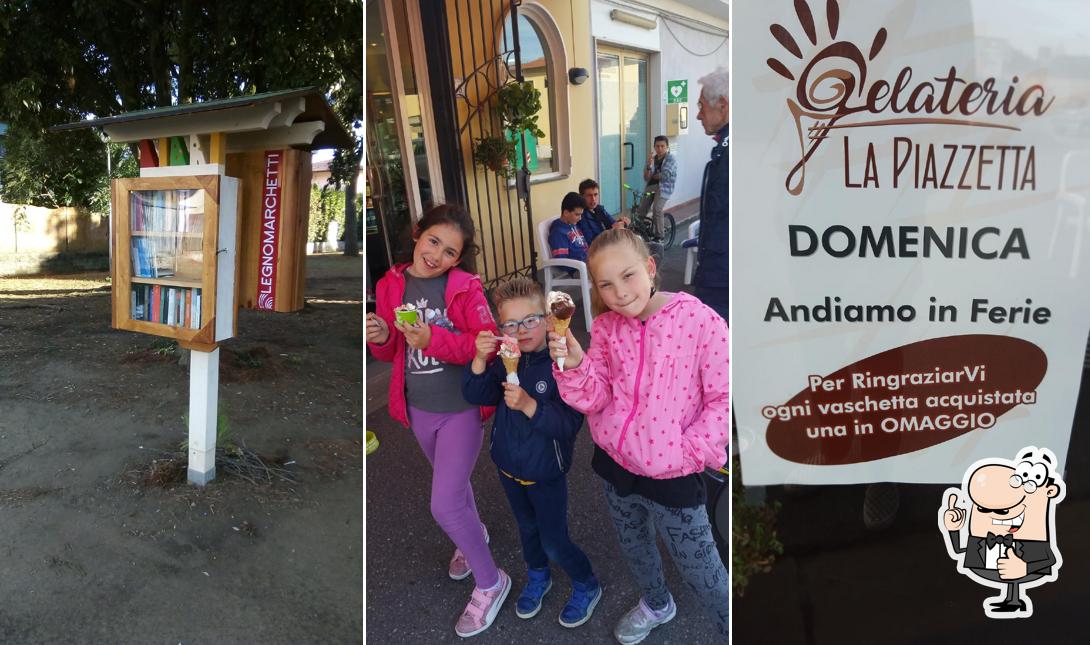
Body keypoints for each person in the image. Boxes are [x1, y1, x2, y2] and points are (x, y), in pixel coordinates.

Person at [548, 228, 730, 643]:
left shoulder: (699, 321)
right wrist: (576, 361)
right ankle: (656, 602)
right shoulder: (608, 329)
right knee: (635, 544)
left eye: (628, 276)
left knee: (702, 569)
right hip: (617, 467)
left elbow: (722, 399)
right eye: (606, 284)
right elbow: (595, 397)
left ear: (650, 268)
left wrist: (686, 453)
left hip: (674, 474)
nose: (620, 293)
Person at [365, 204, 510, 638]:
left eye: (450, 252)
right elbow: (392, 353)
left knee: (444, 502)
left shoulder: (465, 289)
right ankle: (473, 535)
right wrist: (382, 337)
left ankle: (491, 582)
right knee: (455, 486)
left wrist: (435, 339)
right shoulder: (391, 284)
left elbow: (486, 345)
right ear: (417, 234)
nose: (438, 255)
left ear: (458, 259)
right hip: (418, 409)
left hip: (461, 410)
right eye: (433, 242)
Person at [463, 277, 603, 628]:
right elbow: (476, 394)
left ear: (547, 318)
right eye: (510, 324)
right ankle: (538, 576)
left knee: (554, 540)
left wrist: (529, 406)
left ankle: (587, 583)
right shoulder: (504, 359)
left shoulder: (559, 364)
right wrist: (480, 360)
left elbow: (569, 425)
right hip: (508, 466)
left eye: (529, 320)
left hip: (546, 473)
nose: (520, 331)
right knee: (527, 528)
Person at [694, 67, 729, 320]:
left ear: (723, 105)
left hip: (724, 277)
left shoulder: (734, 152)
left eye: (702, 106)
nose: (698, 115)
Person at [643, 135, 677, 242]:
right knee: (640, 210)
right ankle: (643, 232)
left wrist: (653, 175)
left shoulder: (671, 159)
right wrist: (649, 166)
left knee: (657, 209)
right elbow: (646, 177)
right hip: (651, 186)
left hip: (664, 188)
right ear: (654, 147)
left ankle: (660, 236)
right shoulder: (652, 160)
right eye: (657, 146)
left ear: (667, 147)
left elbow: (665, 176)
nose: (660, 149)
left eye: (662, 146)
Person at [548, 192, 590, 275]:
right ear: (566, 213)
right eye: (577, 214)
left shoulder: (572, 224)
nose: (580, 218)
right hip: (579, 269)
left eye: (581, 214)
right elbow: (561, 261)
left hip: (589, 262)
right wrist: (583, 262)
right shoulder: (558, 232)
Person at [578, 178, 628, 246]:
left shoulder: (599, 209)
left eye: (595, 195)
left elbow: (612, 224)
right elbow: (591, 242)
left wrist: (622, 222)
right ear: (581, 197)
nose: (593, 199)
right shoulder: (580, 216)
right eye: (589, 196)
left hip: (608, 245)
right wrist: (611, 231)